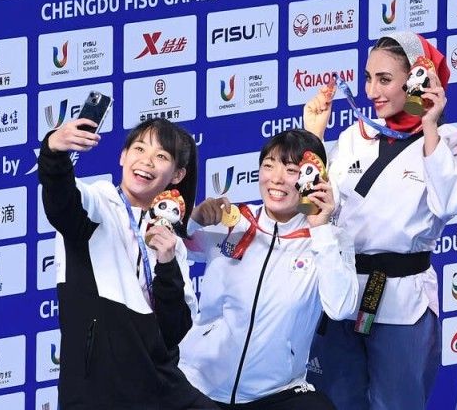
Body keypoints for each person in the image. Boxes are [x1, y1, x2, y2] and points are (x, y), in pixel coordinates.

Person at [303, 31, 457, 410]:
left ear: (418, 81)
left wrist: (428, 123)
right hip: (342, 294)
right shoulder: (353, 136)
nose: (371, 91)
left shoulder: (446, 141)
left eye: (384, 80)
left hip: (403, 301)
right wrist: (313, 137)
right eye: (368, 78)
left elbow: (450, 204)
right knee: (333, 404)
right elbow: (315, 207)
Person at [38, 117, 218, 409]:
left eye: (161, 156)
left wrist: (167, 265)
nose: (147, 161)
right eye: (139, 149)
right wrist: (53, 151)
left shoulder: (171, 237)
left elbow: (174, 331)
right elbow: (60, 199)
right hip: (97, 390)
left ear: (177, 175)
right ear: (122, 156)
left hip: (159, 386)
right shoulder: (95, 205)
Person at [178, 129, 359, 410]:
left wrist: (321, 228)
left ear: (314, 179)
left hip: (276, 393)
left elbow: (341, 307)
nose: (276, 178)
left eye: (291, 170)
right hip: (199, 384)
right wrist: (193, 220)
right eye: (268, 165)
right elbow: (165, 248)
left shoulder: (329, 240)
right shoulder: (231, 221)